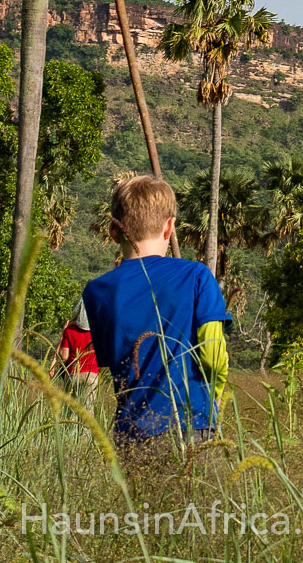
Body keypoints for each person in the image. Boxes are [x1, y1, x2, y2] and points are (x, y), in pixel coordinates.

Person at [81, 175, 231, 442]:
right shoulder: (196, 275)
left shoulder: (96, 291)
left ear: (114, 231)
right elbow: (213, 355)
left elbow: (114, 364)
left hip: (130, 432)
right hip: (191, 422)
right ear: (170, 226)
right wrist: (214, 396)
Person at [57, 296, 99, 388]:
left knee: (70, 402)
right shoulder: (98, 332)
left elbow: (64, 356)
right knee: (88, 403)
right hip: (91, 376)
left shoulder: (69, 331)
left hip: (73, 374)